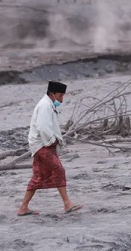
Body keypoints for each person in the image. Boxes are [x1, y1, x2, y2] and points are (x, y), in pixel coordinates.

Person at [17, 80, 82, 216]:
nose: (61, 100)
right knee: (59, 170)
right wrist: (52, 141)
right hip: (42, 145)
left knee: (39, 176)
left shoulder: (48, 104)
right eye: (60, 96)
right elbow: (43, 127)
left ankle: (23, 208)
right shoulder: (45, 106)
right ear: (52, 94)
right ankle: (67, 204)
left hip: (41, 144)